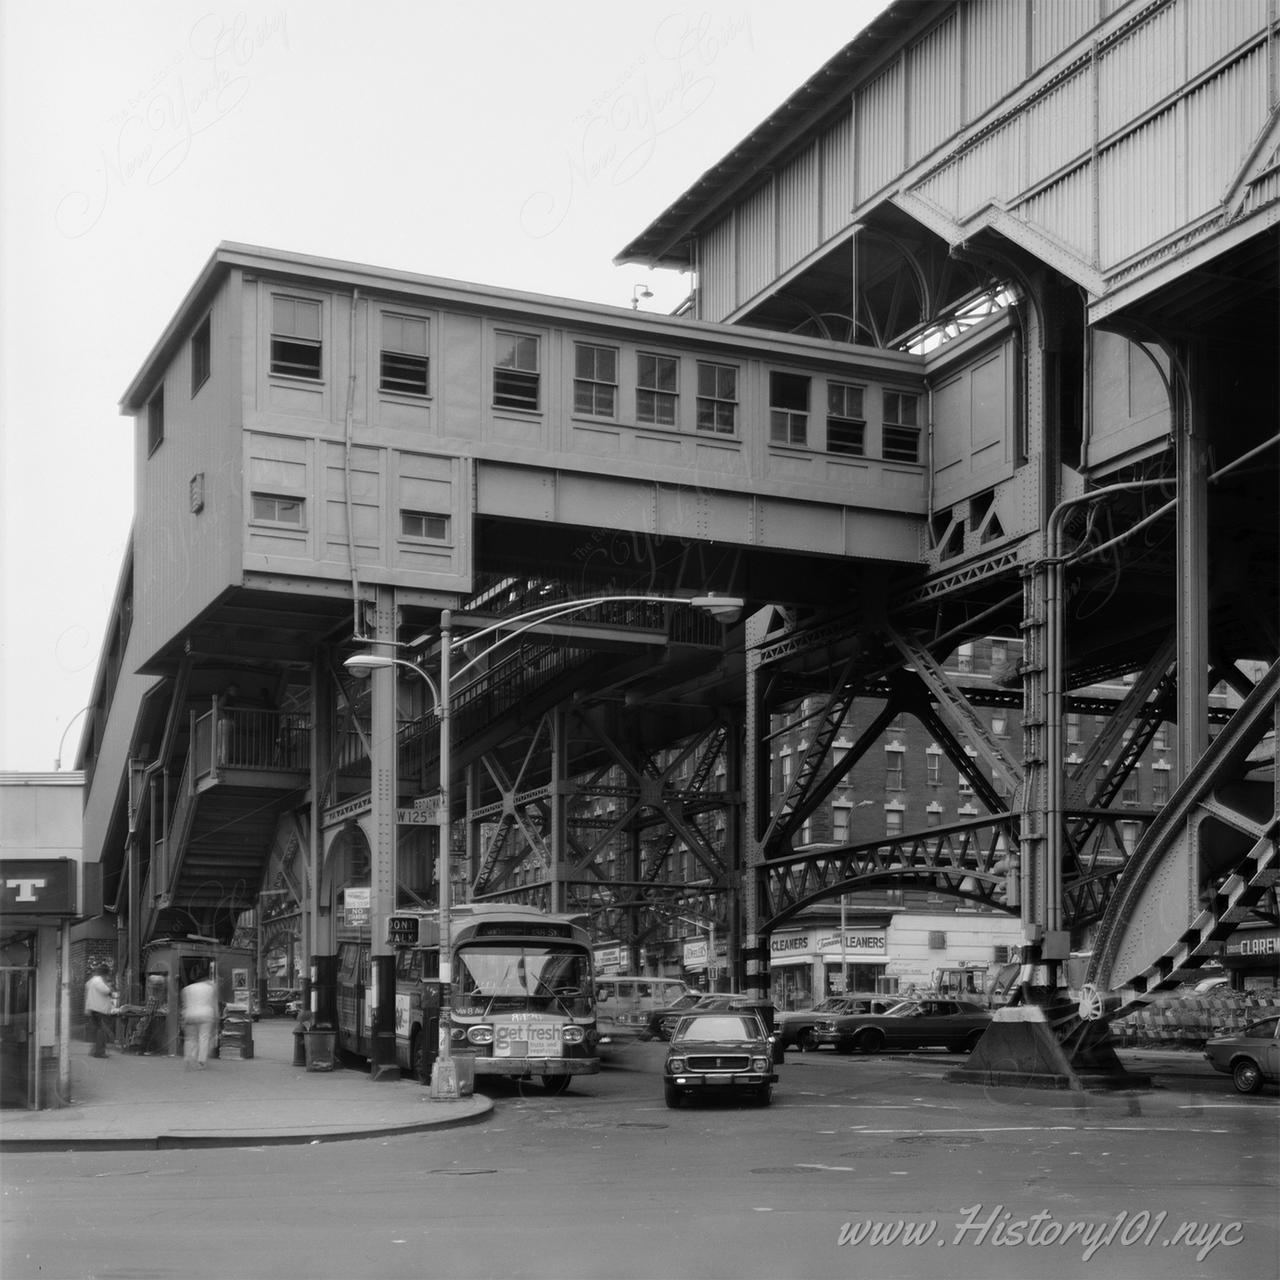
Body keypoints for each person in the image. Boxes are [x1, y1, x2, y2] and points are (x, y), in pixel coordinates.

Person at [181, 971, 218, 1069]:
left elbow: (184, 1005)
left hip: (190, 1014)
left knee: (190, 1039)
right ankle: (201, 1062)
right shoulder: (211, 988)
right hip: (206, 1015)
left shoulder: (187, 989)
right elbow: (214, 1005)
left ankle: (188, 1058)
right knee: (203, 1038)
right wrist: (216, 1018)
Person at [84, 963, 117, 1057]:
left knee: (98, 1030)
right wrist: (110, 987)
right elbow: (106, 991)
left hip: (94, 1008)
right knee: (101, 1031)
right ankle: (99, 1052)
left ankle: (95, 1051)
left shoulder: (92, 981)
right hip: (99, 1009)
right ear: (104, 974)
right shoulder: (98, 981)